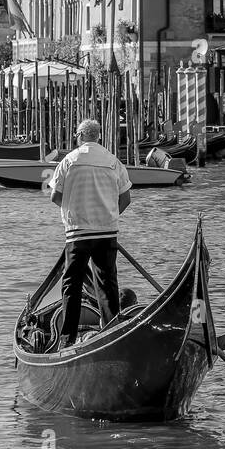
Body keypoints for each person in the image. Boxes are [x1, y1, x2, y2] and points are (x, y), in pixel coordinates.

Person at [48, 118, 133, 348]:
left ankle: (67, 339)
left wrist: (76, 212)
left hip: (78, 233)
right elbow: (125, 198)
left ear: (79, 136)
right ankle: (114, 332)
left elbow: (55, 196)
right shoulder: (113, 162)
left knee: (71, 284)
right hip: (107, 232)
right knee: (107, 284)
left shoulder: (69, 161)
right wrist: (108, 216)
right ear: (98, 137)